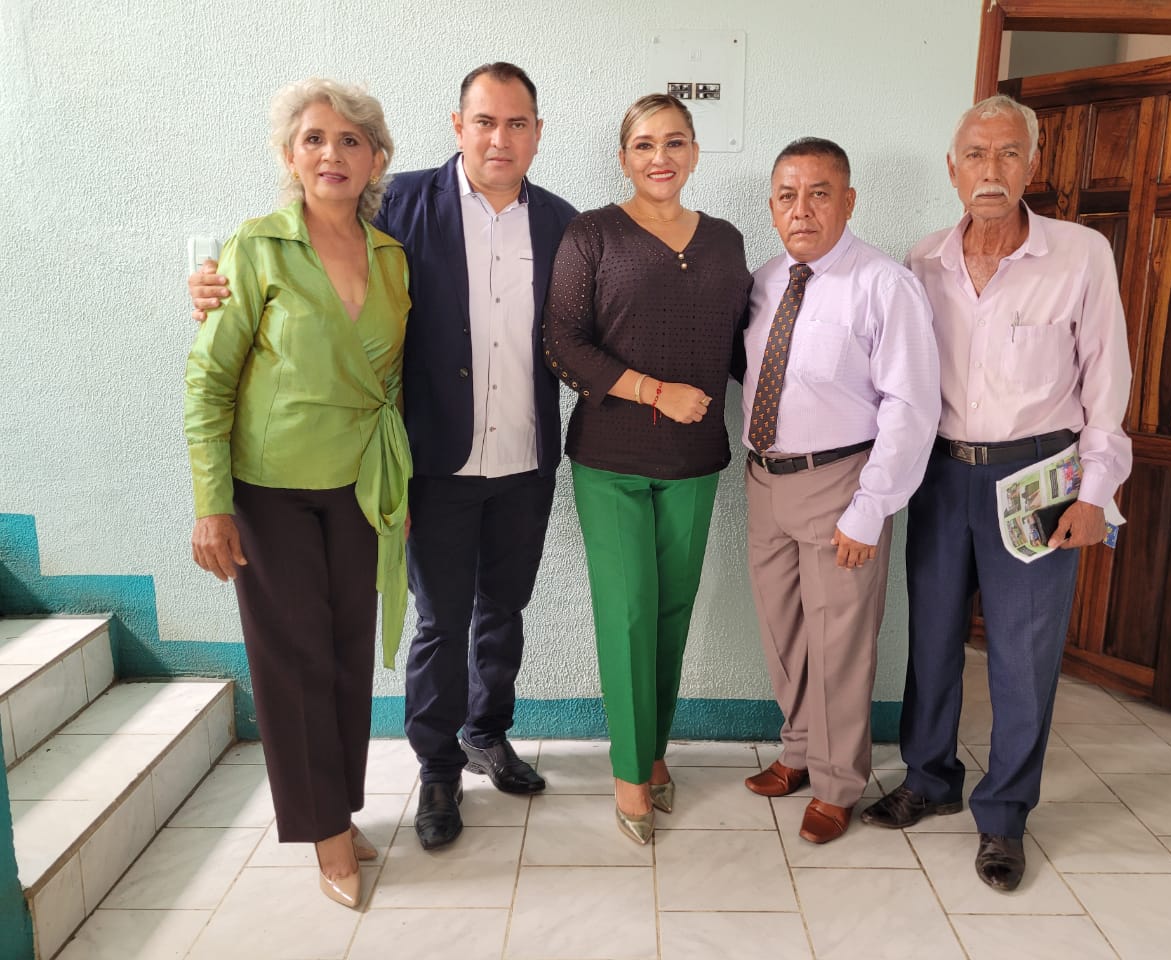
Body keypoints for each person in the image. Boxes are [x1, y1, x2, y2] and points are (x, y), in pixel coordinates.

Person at [190, 63, 578, 851]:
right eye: (484, 121)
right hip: (429, 459)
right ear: (458, 126)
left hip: (525, 455)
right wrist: (205, 282)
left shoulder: (562, 224)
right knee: (440, 619)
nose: (499, 138)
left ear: (538, 133)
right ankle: (436, 767)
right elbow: (309, 252)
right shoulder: (398, 203)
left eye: (516, 123)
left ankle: (487, 733)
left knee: (504, 608)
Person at [860, 95, 1133, 891]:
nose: (992, 169)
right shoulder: (922, 261)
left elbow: (1107, 382)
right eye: (976, 155)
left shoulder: (1081, 255)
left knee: (1024, 652)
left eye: (1009, 153)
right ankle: (929, 779)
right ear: (953, 169)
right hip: (942, 473)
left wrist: (1096, 493)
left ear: (1032, 166)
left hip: (1040, 476)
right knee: (933, 638)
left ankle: (1005, 816)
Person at [185, 78, 410, 909]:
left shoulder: (391, 257)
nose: (332, 154)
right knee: (295, 662)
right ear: (289, 156)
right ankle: (324, 835)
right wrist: (211, 503)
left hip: (361, 488)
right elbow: (209, 379)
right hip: (269, 491)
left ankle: (337, 809)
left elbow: (390, 383)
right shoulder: (256, 247)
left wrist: (399, 487)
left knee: (347, 655)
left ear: (376, 159)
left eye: (351, 140)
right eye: (314, 138)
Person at [542, 93, 752, 844]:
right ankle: (630, 774)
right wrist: (656, 392)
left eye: (674, 142)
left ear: (693, 151)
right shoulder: (592, 234)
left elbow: (744, 345)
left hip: (695, 461)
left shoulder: (725, 241)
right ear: (624, 157)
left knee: (670, 613)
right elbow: (562, 343)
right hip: (612, 460)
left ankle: (654, 750)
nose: (660, 157)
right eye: (643, 145)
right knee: (628, 613)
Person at [738, 138, 940, 845]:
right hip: (765, 479)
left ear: (848, 202)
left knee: (839, 644)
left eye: (819, 194)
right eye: (787, 196)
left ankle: (836, 783)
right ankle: (797, 752)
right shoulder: (765, 281)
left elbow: (911, 407)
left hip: (842, 484)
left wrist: (871, 508)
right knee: (784, 632)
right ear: (772, 208)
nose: (802, 210)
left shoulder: (884, 285)